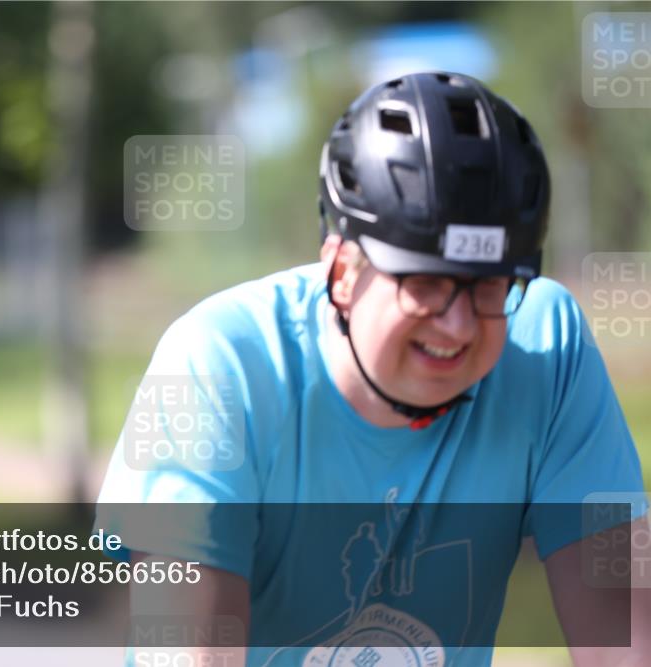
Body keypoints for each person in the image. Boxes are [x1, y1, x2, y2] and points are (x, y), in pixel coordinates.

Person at [96, 71, 649, 667]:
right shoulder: (216, 364)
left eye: (489, 285)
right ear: (341, 269)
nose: (459, 325)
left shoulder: (547, 347)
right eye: (426, 282)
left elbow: (625, 640)